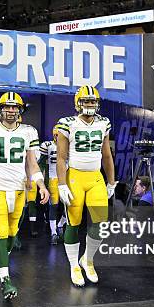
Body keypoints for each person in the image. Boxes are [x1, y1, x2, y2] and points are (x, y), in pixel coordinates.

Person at [0, 92, 49, 300]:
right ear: (0, 108)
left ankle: (2, 261)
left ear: (20, 109)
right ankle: (5, 279)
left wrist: (41, 185)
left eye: (14, 107)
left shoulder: (29, 131)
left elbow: (32, 163)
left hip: (20, 190)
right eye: (7, 106)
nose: (11, 110)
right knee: (1, 233)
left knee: (13, 234)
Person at [56, 85, 117, 287]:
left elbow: (107, 155)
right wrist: (62, 184)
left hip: (95, 177)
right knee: (73, 221)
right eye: (86, 101)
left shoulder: (103, 123)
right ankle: (74, 264)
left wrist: (111, 181)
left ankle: (88, 260)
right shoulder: (68, 124)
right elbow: (62, 158)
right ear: (77, 103)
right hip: (75, 177)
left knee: (100, 223)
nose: (89, 105)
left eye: (92, 101)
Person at [39, 125, 61, 245]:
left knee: (71, 205)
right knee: (54, 206)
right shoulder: (48, 146)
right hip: (53, 179)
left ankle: (60, 224)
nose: (59, 138)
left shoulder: (69, 146)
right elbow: (41, 162)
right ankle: (54, 232)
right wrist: (41, 180)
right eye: (57, 135)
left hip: (67, 179)